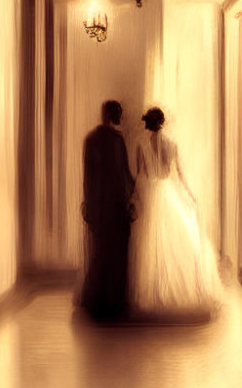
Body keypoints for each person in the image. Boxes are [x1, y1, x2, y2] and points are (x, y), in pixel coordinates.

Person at [128, 107, 221, 320]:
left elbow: (139, 175)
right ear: (162, 123)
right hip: (167, 193)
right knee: (172, 241)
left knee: (148, 243)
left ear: (147, 123)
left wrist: (135, 198)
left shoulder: (141, 144)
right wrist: (190, 196)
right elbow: (179, 175)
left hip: (151, 193)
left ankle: (151, 292)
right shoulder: (171, 145)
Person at [79, 100, 137, 321]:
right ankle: (114, 302)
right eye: (119, 113)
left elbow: (87, 177)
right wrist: (134, 195)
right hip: (114, 205)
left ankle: (96, 300)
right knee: (117, 254)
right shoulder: (116, 140)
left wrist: (88, 203)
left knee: (100, 251)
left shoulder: (91, 139)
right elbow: (124, 175)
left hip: (98, 204)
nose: (121, 117)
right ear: (113, 115)